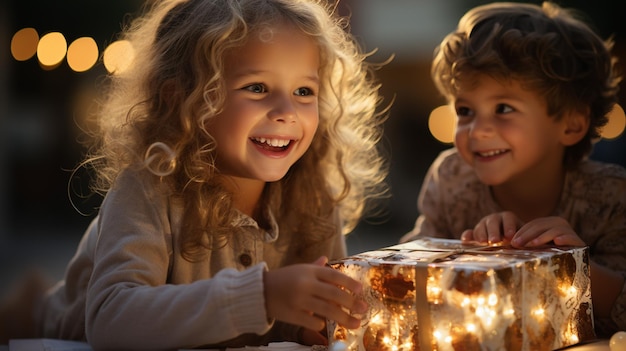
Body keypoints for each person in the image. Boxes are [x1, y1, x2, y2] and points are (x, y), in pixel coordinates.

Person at [12, 0, 390, 349]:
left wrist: (309, 324)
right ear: (179, 99)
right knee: (26, 311)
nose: (286, 111)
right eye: (257, 87)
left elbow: (301, 318)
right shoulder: (149, 187)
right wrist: (262, 296)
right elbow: (110, 319)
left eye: (304, 91)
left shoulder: (314, 199)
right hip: (52, 331)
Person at [400, 1, 626, 337]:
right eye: (465, 110)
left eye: (503, 108)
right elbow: (405, 278)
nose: (477, 130)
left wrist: (569, 265)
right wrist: (469, 253)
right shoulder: (451, 178)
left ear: (571, 124)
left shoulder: (611, 197)